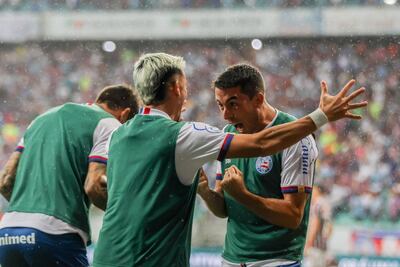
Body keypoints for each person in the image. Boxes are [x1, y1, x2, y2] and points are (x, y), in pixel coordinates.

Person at [93, 52, 367, 267]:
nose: (225, 115)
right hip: (156, 261)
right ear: (176, 87)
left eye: (232, 104)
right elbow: (261, 145)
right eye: (220, 105)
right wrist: (320, 116)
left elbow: (287, 214)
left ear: (258, 98)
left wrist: (206, 192)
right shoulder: (186, 136)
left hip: (108, 256)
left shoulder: (119, 134)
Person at [0, 84, 139, 267]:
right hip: (55, 233)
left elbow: (5, 181)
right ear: (125, 114)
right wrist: (129, 218)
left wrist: (31, 212)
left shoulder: (40, 120)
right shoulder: (110, 124)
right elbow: (94, 185)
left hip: (8, 233)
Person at [304, 183, 334, 267]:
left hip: (314, 247)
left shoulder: (317, 204)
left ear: (317, 190)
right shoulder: (326, 203)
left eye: (312, 190)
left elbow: (315, 224)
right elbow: (330, 228)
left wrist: (308, 245)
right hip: (322, 246)